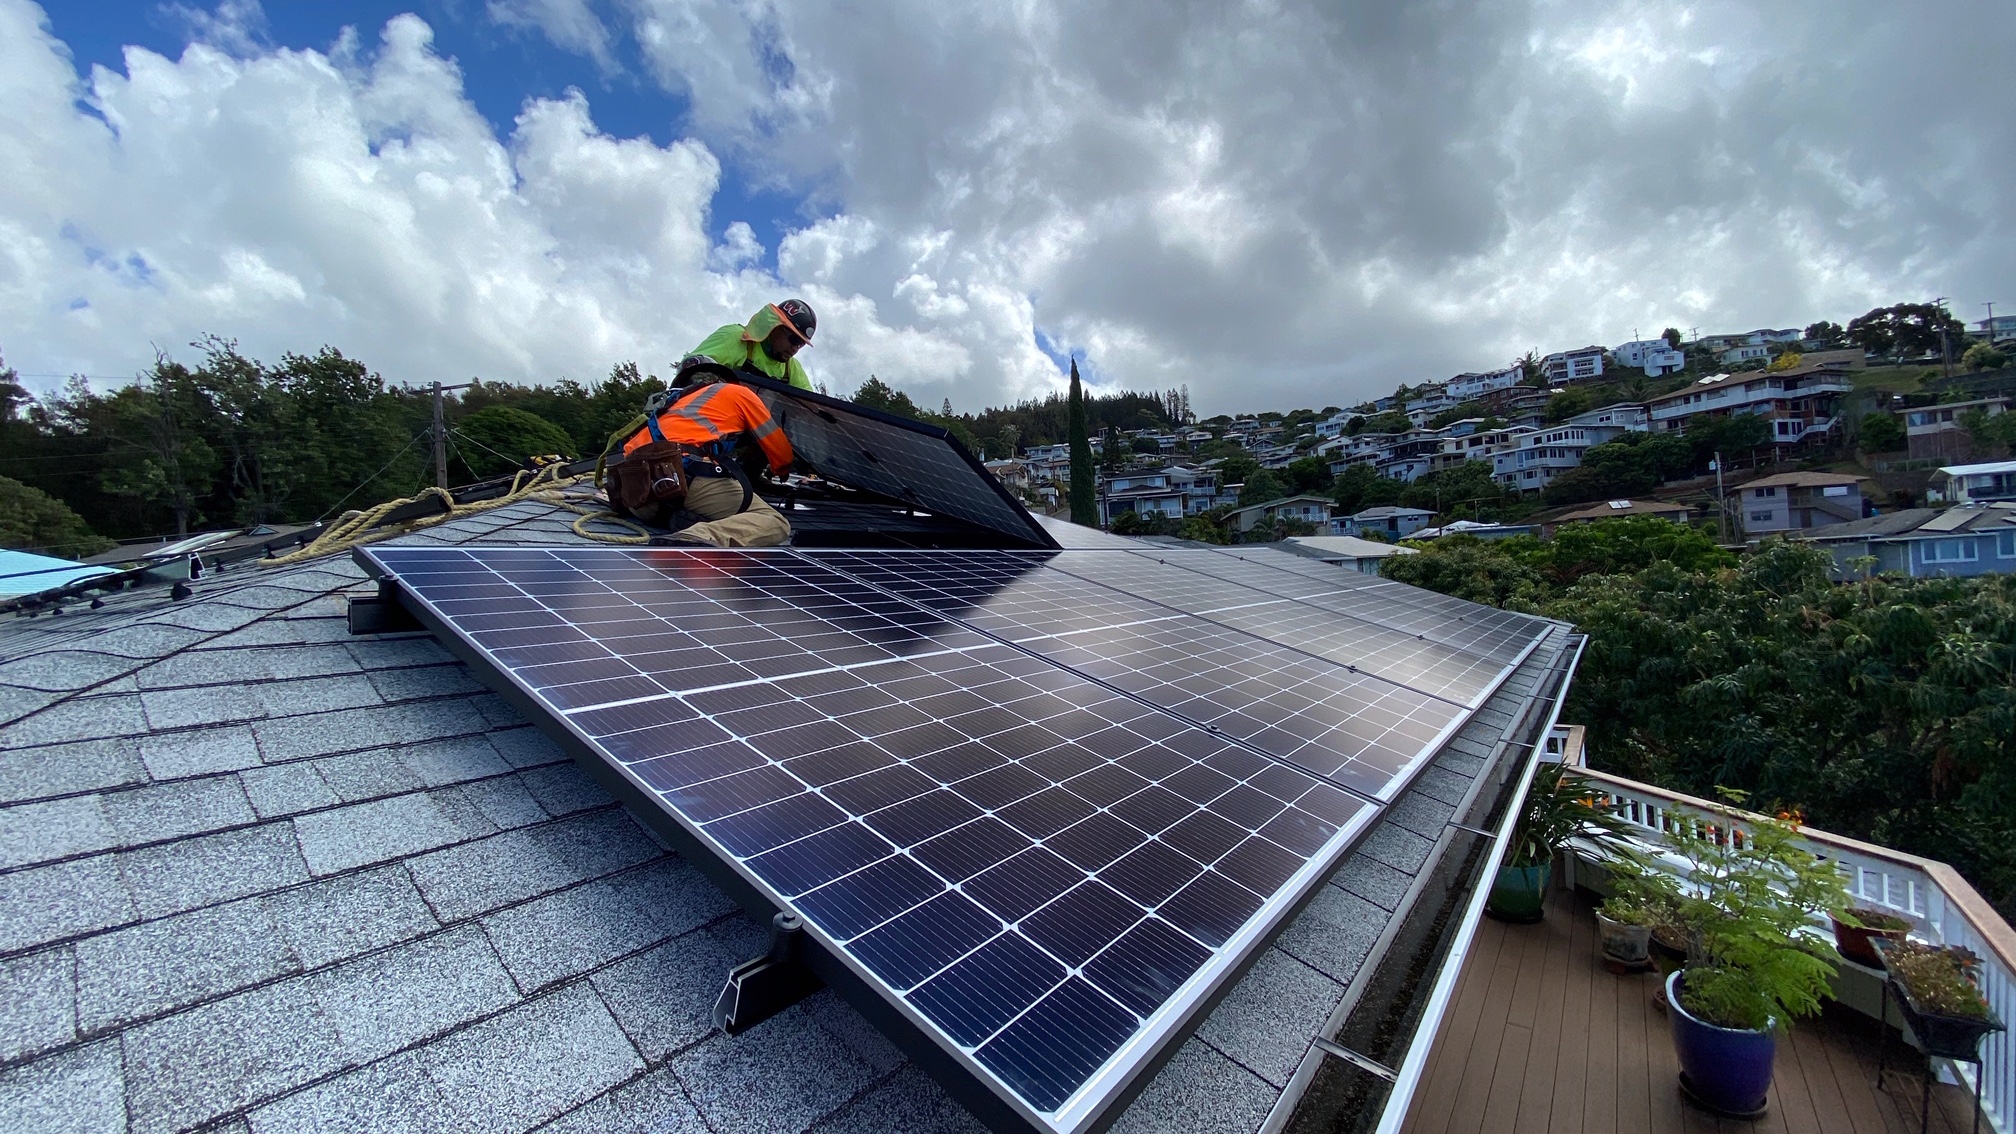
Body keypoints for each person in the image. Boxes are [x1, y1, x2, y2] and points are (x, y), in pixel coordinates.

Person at [615, 363, 797, 547]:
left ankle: (684, 519)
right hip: (681, 480)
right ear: (724, 381)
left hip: (636, 496)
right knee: (775, 522)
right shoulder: (738, 392)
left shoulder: (672, 403)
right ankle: (698, 536)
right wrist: (779, 471)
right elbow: (780, 452)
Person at [688, 299, 817, 390]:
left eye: (801, 344)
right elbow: (690, 369)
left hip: (756, 429)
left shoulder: (791, 368)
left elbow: (811, 409)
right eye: (794, 339)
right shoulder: (735, 338)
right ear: (776, 326)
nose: (795, 348)